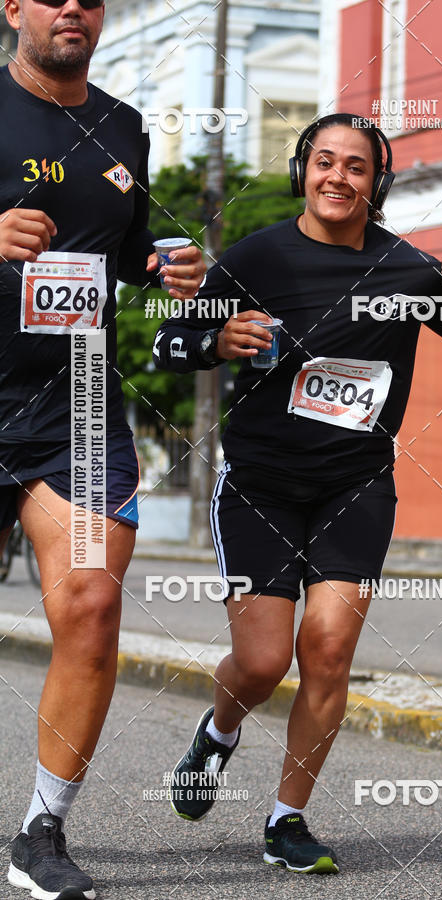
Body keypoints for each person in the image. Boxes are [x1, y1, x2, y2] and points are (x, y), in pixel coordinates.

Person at [154, 112, 442, 874]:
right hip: (259, 485)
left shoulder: (411, 273)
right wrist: (217, 341)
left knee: (327, 649)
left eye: (356, 166)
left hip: (354, 485)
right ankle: (218, 734)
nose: (338, 177)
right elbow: (168, 343)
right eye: (324, 162)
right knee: (260, 663)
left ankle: (287, 820)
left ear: (376, 184)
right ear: (302, 171)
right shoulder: (257, 258)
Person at [0, 2, 206, 898]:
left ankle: (41, 829)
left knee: (88, 607)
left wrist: (163, 267)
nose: (74, 7)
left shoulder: (122, 125)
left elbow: (120, 252)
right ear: (15, 9)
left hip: (77, 403)